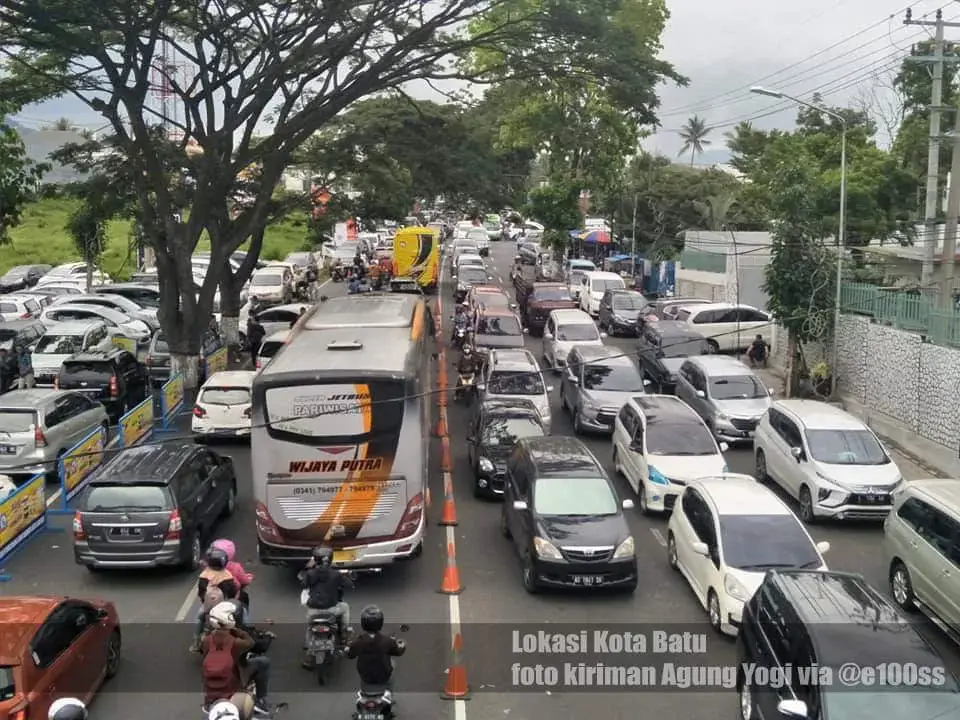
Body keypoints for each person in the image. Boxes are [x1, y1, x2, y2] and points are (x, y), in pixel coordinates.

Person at [201, 601, 273, 716]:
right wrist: (236, 630)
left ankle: (208, 703)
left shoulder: (206, 640)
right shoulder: (235, 641)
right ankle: (261, 701)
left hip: (211, 689)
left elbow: (205, 655)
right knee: (263, 662)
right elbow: (251, 643)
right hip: (234, 682)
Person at [347, 605, 405, 710]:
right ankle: (390, 695)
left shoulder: (358, 642)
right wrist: (402, 645)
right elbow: (398, 652)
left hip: (365, 678)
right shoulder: (387, 641)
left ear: (363, 623)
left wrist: (349, 648)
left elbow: (350, 655)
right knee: (393, 664)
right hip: (383, 678)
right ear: (380, 623)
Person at [298, 545, 351, 658]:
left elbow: (303, 585)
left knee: (310, 627)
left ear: (315, 559)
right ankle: (344, 634)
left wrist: (308, 569)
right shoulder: (336, 574)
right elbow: (348, 585)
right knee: (345, 607)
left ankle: (308, 650)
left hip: (313, 610)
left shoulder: (310, 573)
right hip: (331, 610)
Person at [191, 547, 239, 652]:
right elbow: (232, 593)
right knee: (240, 614)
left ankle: (196, 642)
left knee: (199, 618)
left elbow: (201, 593)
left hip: (208, 608)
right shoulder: (227, 575)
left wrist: (206, 603)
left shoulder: (204, 575)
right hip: (224, 608)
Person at [211, 538, 255, 613]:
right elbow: (244, 580)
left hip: (214, 598)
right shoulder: (236, 567)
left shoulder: (211, 568)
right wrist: (248, 579)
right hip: (233, 598)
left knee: (201, 614)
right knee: (243, 607)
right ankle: (246, 622)